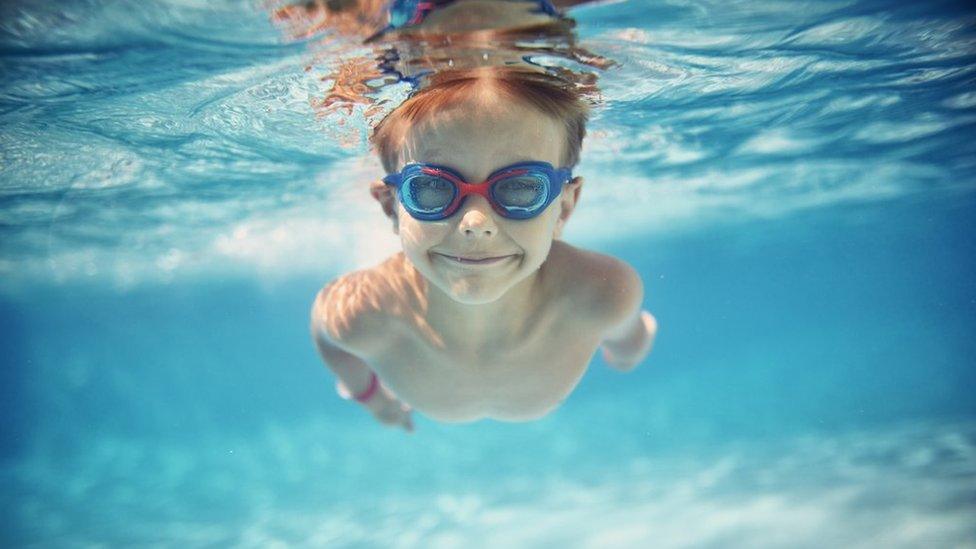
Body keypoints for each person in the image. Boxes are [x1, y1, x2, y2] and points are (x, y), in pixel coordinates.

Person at [310, 67, 657, 432]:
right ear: (390, 206)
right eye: (431, 189)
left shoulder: (602, 293)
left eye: (521, 187)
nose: (476, 223)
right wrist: (372, 399)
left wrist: (625, 354)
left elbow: (628, 338)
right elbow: (326, 335)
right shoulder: (361, 315)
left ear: (565, 207)